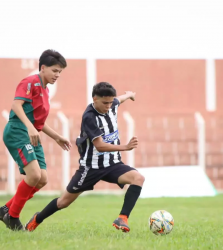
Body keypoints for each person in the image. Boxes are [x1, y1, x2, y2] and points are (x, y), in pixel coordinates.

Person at [24, 82, 145, 233]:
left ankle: (122, 218)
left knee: (138, 178)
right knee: (63, 202)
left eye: (110, 102)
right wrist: (125, 147)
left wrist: (130, 95)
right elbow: (100, 146)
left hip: (113, 164)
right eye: (105, 103)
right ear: (95, 99)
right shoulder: (89, 117)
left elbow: (119, 99)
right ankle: (37, 219)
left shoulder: (112, 103)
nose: (109, 106)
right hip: (91, 167)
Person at [0, 49, 72, 230]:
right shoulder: (29, 82)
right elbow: (16, 105)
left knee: (42, 179)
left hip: (31, 135)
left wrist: (57, 137)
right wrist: (30, 128)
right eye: (54, 70)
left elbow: (39, 123)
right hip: (17, 131)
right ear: (42, 68)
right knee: (34, 175)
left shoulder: (45, 91)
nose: (57, 74)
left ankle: (6, 209)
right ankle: (12, 217)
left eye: (60, 71)